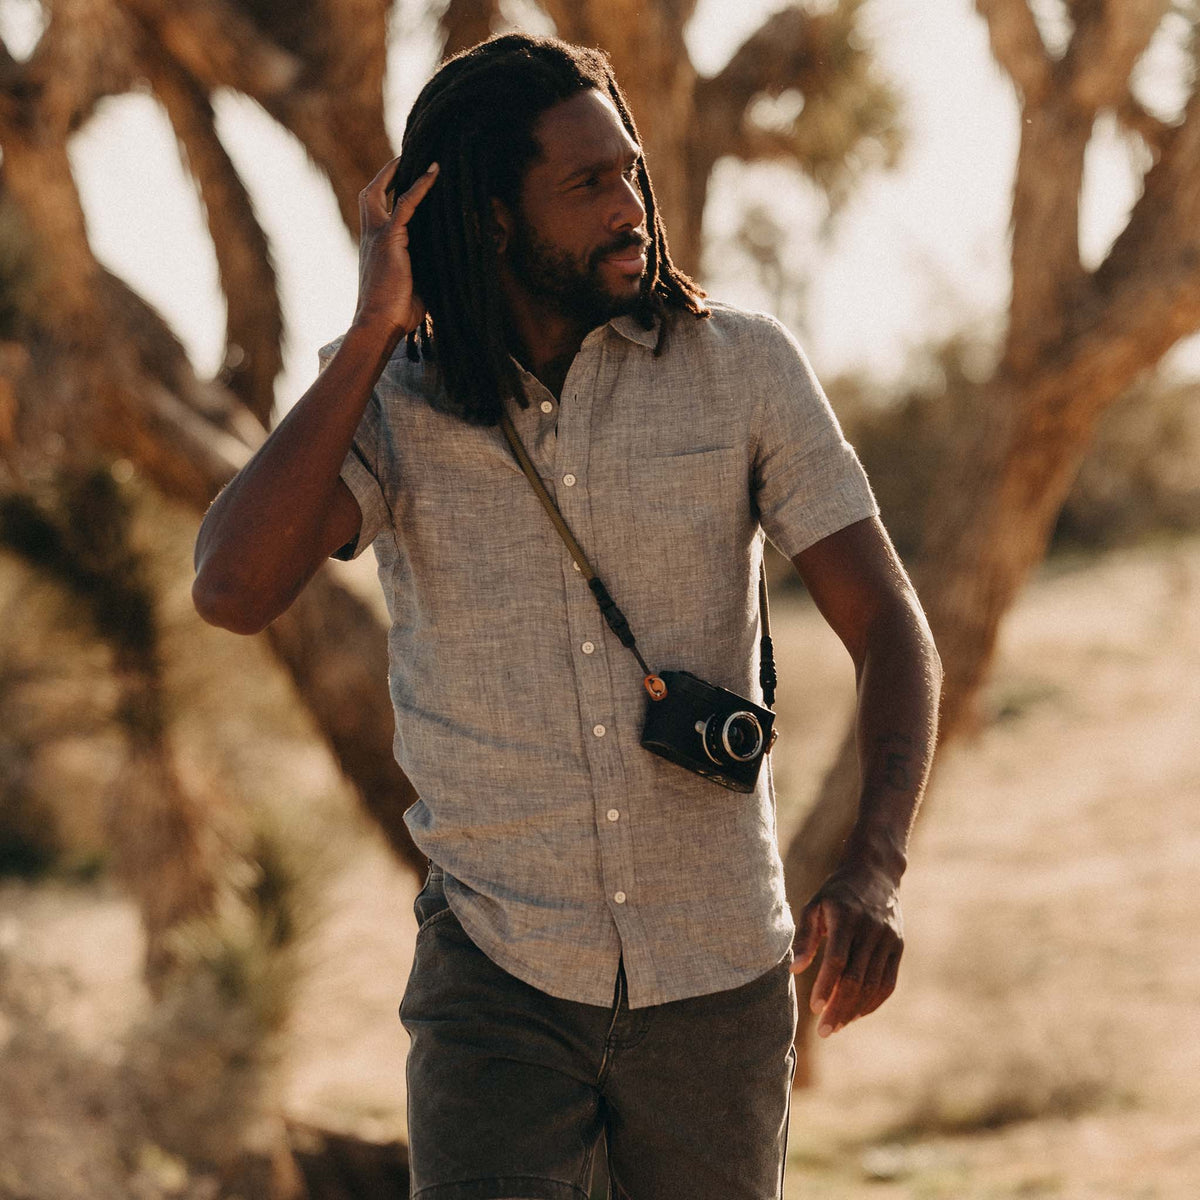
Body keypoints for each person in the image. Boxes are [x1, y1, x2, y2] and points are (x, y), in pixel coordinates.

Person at [193, 33, 941, 1200]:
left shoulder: (740, 368)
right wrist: (377, 325)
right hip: (496, 984)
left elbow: (889, 624)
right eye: (589, 184)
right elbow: (231, 590)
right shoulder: (391, 403)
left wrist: (874, 870)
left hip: (718, 983)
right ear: (490, 214)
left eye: (631, 172)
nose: (632, 205)